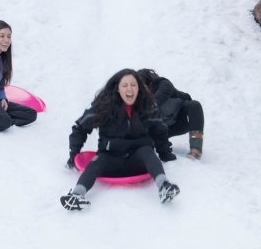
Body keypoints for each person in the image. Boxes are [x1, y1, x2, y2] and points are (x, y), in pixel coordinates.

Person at [60, 68, 180, 211]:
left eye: (133, 85)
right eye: (125, 85)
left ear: (139, 88)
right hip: (110, 158)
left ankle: (164, 187)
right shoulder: (103, 107)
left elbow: (159, 130)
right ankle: (76, 196)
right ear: (117, 89)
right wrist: (74, 154)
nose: (130, 89)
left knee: (148, 151)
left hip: (138, 160)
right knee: (96, 161)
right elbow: (80, 128)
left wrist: (165, 154)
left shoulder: (147, 107)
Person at [136, 69, 204, 160]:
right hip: (162, 129)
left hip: (181, 121)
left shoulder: (164, 84)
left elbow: (157, 101)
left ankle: (196, 149)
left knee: (194, 105)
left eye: (141, 86)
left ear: (150, 83)